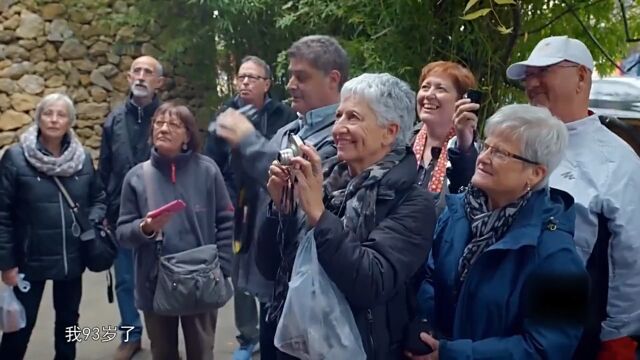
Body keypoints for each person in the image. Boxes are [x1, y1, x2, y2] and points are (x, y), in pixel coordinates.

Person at [264, 73, 436, 359]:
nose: (338, 128)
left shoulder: (414, 202)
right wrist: (281, 209)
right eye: (339, 115)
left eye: (353, 118)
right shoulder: (328, 181)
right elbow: (270, 269)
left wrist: (318, 214)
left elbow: (370, 282)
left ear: (390, 132)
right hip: (298, 344)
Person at [411, 104, 589, 360]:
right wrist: (428, 330)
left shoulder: (555, 254)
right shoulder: (459, 211)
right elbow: (429, 275)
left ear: (535, 173)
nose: (483, 158)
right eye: (487, 146)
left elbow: (545, 349)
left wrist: (455, 354)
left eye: (502, 153)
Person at [505, 35, 640, 359]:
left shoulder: (618, 161)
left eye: (544, 71)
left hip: (573, 331)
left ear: (581, 76)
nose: (532, 83)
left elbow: (632, 255)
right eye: (528, 76)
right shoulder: (513, 143)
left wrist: (619, 337)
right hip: (503, 319)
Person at [214, 34, 348, 360]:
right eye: (290, 75)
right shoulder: (292, 131)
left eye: (301, 77)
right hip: (276, 285)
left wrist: (246, 139)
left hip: (310, 291)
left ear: (333, 79)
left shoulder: (342, 136)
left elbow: (293, 182)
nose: (290, 85)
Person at [117, 102, 233, 360]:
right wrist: (145, 228)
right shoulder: (136, 177)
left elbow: (225, 219)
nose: (164, 128)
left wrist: (223, 268)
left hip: (202, 279)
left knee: (202, 352)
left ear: (187, 136)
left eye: (173, 124)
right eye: (159, 123)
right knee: (163, 353)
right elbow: (123, 233)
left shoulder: (207, 170)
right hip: (154, 281)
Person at [204, 55, 297, 360]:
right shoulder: (226, 116)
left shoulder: (285, 115)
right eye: (241, 77)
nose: (244, 82)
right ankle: (248, 337)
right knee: (240, 271)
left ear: (267, 84)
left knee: (270, 271)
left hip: (274, 205)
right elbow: (212, 164)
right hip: (238, 205)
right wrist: (225, 202)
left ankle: (274, 328)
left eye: (252, 78)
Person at [0, 93, 106, 359]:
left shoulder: (82, 157)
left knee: (69, 324)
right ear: (38, 118)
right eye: (48, 113)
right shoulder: (15, 158)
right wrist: (6, 264)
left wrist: (90, 226)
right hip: (28, 260)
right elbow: (2, 213)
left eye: (61, 114)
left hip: (72, 257)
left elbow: (99, 199)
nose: (54, 119)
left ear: (70, 121)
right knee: (19, 327)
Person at [98, 55, 165, 359]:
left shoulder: (168, 118)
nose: (140, 76)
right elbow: (105, 170)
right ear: (127, 78)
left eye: (147, 72)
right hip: (122, 215)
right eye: (136, 71)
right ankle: (130, 334)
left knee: (163, 277)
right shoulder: (113, 121)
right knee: (125, 279)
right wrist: (103, 211)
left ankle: (163, 335)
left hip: (161, 214)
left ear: (158, 82)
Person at [412, 61, 479, 213]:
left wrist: (465, 145)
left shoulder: (470, 152)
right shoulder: (401, 142)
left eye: (440, 88)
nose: (429, 95)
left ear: (461, 101)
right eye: (425, 87)